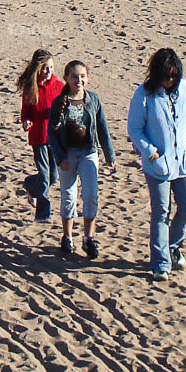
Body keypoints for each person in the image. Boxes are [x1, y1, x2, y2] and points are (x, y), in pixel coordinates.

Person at [127, 48, 186, 282]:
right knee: (161, 212)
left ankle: (173, 245)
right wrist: (150, 151)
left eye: (173, 76)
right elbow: (135, 128)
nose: (170, 81)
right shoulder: (144, 94)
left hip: (184, 163)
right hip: (158, 165)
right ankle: (161, 263)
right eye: (166, 76)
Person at [48, 60, 115, 260]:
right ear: (66, 78)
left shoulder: (93, 100)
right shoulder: (59, 102)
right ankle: (67, 237)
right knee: (68, 196)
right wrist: (60, 158)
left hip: (88, 152)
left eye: (83, 76)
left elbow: (102, 127)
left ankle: (88, 237)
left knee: (90, 195)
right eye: (75, 76)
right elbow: (52, 134)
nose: (79, 80)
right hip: (67, 154)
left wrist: (109, 154)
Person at [17, 49, 64, 224]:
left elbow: (65, 108)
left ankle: (30, 184)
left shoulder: (59, 87)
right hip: (38, 138)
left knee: (53, 177)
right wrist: (26, 121)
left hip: (55, 138)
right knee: (45, 176)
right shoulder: (30, 88)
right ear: (37, 69)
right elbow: (26, 112)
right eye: (45, 68)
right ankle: (43, 213)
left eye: (51, 68)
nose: (49, 71)